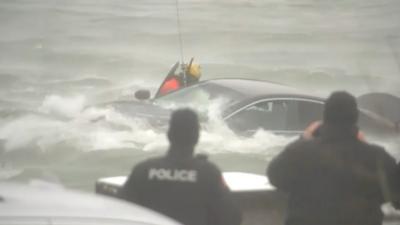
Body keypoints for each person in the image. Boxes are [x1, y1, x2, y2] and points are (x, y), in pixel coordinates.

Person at [267, 91, 399, 225]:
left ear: (325, 116)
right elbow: (396, 196)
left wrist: (304, 138)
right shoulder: (376, 158)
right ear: (355, 118)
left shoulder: (300, 152)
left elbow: (275, 177)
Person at [120, 108, 242, 225]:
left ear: (169, 135)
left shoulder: (143, 170)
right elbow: (231, 218)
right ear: (196, 137)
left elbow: (122, 212)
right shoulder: (208, 173)